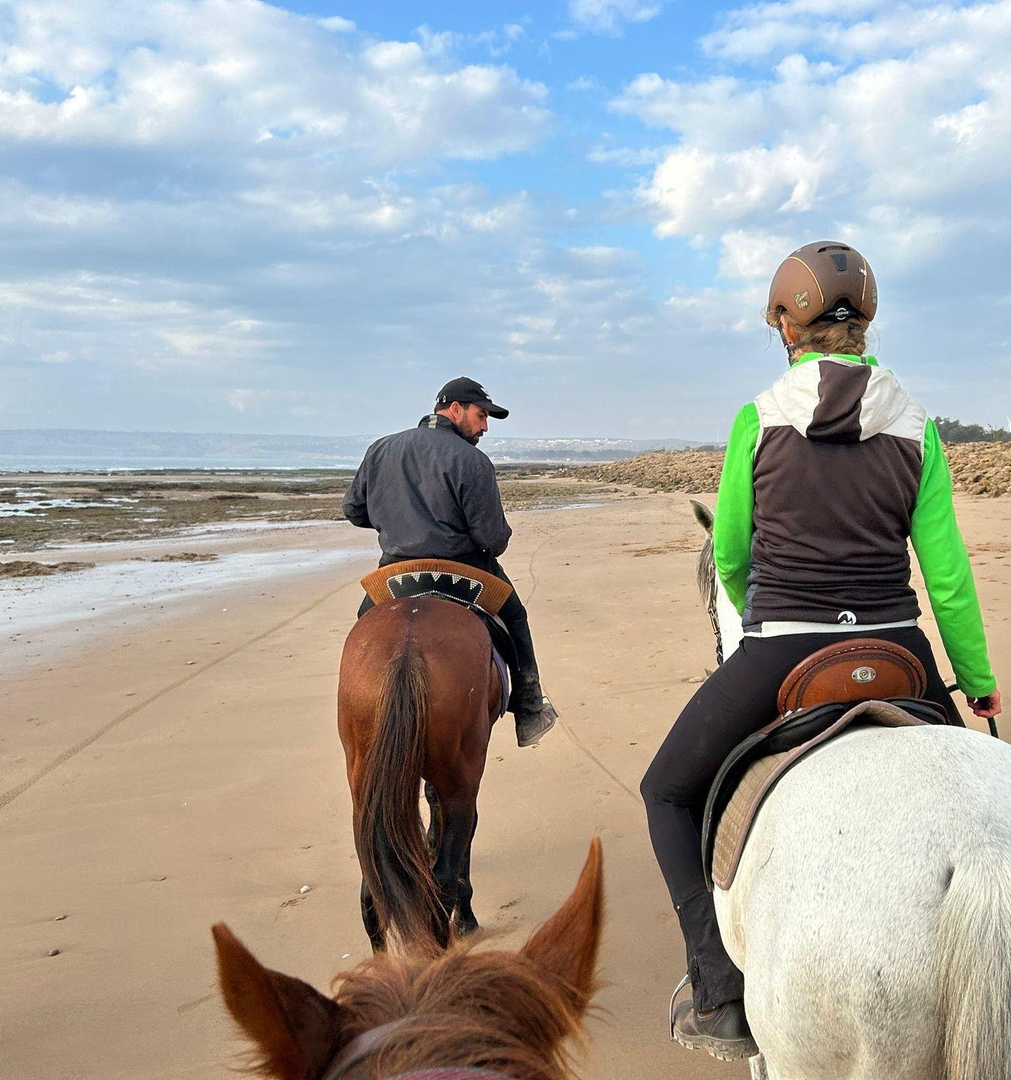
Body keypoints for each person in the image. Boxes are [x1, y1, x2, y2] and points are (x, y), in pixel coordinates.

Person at [640, 241, 1002, 1061]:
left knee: (664, 791)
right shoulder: (916, 424)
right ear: (864, 322)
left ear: (782, 323)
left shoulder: (757, 417)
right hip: (899, 649)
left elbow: (730, 553)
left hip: (784, 649)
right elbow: (946, 579)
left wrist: (758, 591)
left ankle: (719, 991)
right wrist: (977, 682)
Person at [343, 376, 557, 747]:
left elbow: (354, 510)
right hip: (466, 569)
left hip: (395, 570)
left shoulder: (381, 449)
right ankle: (529, 707)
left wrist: (397, 518)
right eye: (481, 415)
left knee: (365, 629)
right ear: (454, 409)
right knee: (516, 617)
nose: (485, 426)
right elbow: (492, 539)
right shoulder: (472, 461)